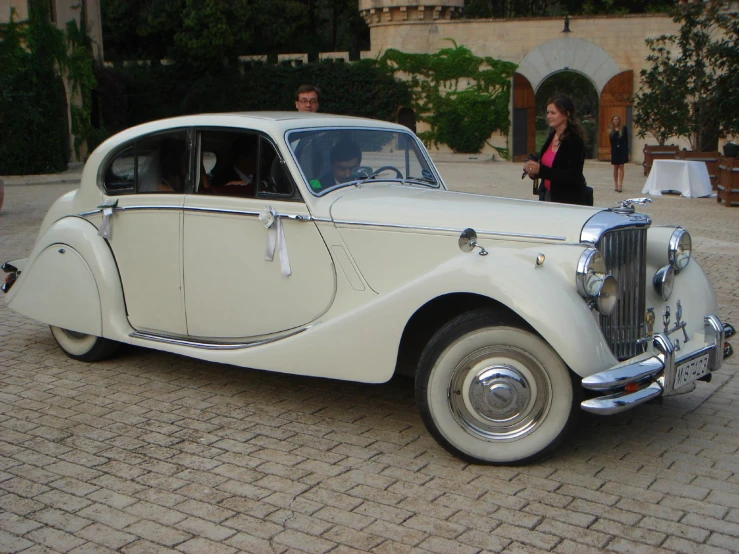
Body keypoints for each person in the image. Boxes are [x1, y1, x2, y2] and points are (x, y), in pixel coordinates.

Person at [523, 95, 587, 205]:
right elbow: (548, 168)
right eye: (548, 113)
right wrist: (533, 170)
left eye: (553, 113)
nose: (548, 116)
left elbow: (573, 176)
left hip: (567, 200)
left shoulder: (575, 141)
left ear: (566, 114)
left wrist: (541, 170)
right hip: (547, 196)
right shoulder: (552, 135)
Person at [609, 114, 628, 192]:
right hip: (615, 149)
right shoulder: (611, 130)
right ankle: (616, 184)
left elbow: (626, 139)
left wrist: (626, 149)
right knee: (615, 166)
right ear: (612, 121)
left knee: (621, 166)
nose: (616, 121)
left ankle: (620, 185)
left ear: (619, 120)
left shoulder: (623, 128)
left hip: (622, 149)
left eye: (617, 119)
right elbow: (611, 141)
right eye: (614, 119)